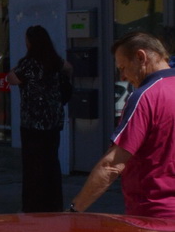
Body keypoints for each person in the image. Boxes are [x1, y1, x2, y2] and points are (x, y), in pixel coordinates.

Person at [73, 31, 175, 221]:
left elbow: (111, 165)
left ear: (140, 57)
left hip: (153, 217)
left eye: (123, 67)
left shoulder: (146, 96)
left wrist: (75, 210)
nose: (123, 76)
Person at [9, 25, 72, 212]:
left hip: (32, 123)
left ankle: (33, 205)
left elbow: (12, 78)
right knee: (51, 163)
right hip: (53, 121)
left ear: (30, 42)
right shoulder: (54, 60)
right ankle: (53, 203)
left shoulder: (29, 64)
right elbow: (69, 68)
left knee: (33, 166)